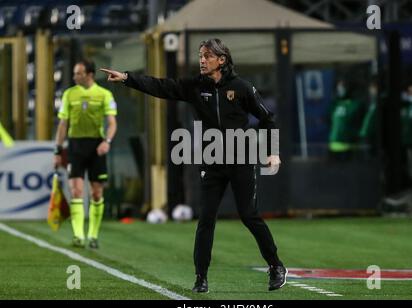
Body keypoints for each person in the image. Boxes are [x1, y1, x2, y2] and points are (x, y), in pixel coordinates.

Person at [100, 38, 287, 293]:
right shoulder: (194, 87)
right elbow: (161, 86)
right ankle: (201, 277)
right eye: (200, 55)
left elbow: (268, 119)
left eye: (207, 56)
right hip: (211, 161)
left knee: (249, 216)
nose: (202, 60)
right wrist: (126, 78)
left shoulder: (242, 88)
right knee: (206, 218)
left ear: (221, 60)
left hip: (241, 159)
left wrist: (272, 152)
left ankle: (276, 266)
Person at [53, 59, 117, 248]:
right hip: (75, 147)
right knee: (76, 191)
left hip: (97, 146)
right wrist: (58, 150)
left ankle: (93, 235)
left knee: (96, 193)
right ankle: (78, 235)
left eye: (78, 73)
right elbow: (63, 124)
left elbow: (112, 123)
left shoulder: (104, 94)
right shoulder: (69, 94)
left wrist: (107, 142)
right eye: (75, 73)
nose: (74, 77)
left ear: (89, 75)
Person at [328, 79, 361, 161]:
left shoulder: (356, 105)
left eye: (343, 86)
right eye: (339, 87)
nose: (340, 89)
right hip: (333, 146)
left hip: (349, 146)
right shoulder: (335, 104)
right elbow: (329, 120)